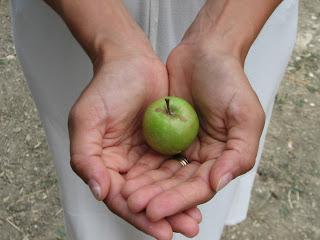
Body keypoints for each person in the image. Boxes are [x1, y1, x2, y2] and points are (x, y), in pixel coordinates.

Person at [10, 0, 298, 239]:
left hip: (244, 16)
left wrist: (222, 40)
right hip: (76, 19)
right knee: (94, 180)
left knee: (216, 178)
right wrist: (109, 40)